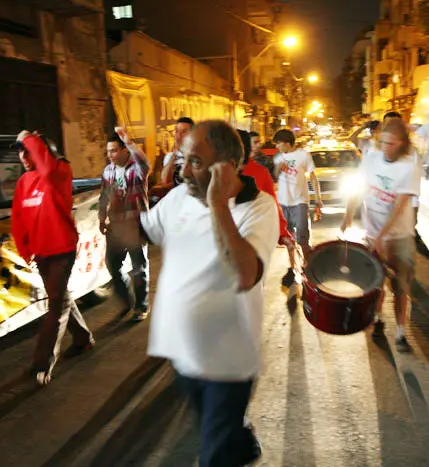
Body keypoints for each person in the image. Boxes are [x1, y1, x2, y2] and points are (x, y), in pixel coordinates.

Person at [115, 120, 279, 467]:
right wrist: (113, 222)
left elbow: (246, 274)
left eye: (196, 162)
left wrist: (218, 204)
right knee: (220, 433)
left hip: (228, 360)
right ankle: (240, 439)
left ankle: (232, 439)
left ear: (228, 166)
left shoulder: (258, 208)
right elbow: (144, 230)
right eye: (184, 160)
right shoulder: (179, 198)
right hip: (183, 354)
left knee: (212, 456)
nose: (185, 171)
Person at [11, 130, 95, 387]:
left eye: (28, 149)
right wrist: (26, 250)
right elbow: (18, 218)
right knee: (61, 297)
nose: (24, 156)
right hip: (42, 253)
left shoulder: (59, 171)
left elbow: (46, 170)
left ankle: (42, 363)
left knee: (56, 305)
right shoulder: (24, 182)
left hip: (62, 250)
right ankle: (82, 338)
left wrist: (30, 138)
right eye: (20, 150)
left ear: (42, 149)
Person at [341, 119, 420, 353]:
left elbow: (399, 206)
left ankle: (401, 332)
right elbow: (358, 186)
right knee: (376, 283)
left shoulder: (409, 167)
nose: (386, 147)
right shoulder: (371, 158)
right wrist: (348, 215)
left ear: (403, 144)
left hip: (400, 237)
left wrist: (383, 237)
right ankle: (378, 320)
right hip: (373, 234)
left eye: (392, 144)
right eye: (383, 142)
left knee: (401, 287)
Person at [99, 129, 151, 321]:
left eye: (114, 150)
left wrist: (129, 141)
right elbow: (104, 195)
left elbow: (145, 162)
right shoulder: (108, 171)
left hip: (135, 224)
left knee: (139, 268)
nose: (110, 155)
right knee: (112, 264)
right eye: (108, 151)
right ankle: (127, 300)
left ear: (124, 151)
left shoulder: (136, 170)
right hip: (116, 227)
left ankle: (141, 307)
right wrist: (101, 217)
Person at [239, 130, 297, 282]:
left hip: (253, 242)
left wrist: (282, 233)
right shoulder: (214, 174)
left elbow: (272, 203)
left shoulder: (260, 171)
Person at [273, 128, 323, 287]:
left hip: (299, 202)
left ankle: (307, 267)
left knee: (302, 238)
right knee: (288, 238)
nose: (277, 147)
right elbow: (275, 176)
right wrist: (278, 168)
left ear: (287, 143)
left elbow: (313, 177)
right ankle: (292, 266)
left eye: (279, 143)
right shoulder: (278, 157)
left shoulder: (303, 155)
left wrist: (318, 198)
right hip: (283, 202)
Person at [161, 117, 195, 186]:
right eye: (177, 131)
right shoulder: (170, 156)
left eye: (184, 132)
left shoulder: (201, 155)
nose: (178, 135)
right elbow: (165, 181)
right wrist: (174, 154)